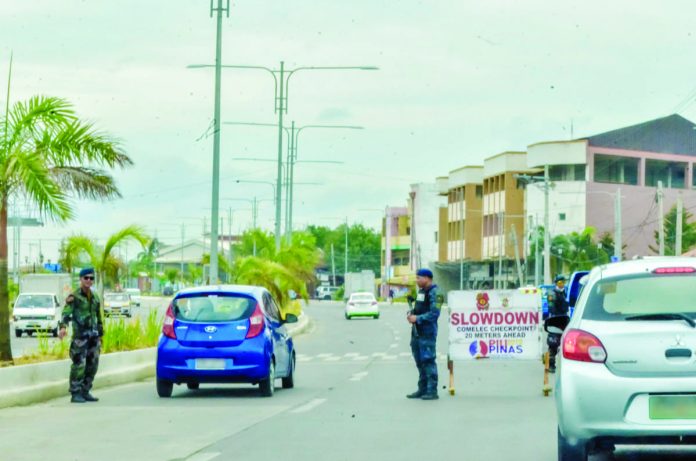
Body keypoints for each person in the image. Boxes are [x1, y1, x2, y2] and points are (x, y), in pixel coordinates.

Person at [58, 268, 104, 403]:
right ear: (81, 279)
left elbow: (98, 317)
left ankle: (85, 390)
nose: (89, 280)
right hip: (80, 339)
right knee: (79, 365)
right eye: (86, 278)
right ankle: (75, 392)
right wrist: (63, 327)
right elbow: (66, 313)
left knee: (93, 365)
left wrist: (101, 335)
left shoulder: (95, 296)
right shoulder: (74, 296)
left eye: (91, 278)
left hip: (93, 338)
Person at [406, 268, 443, 400]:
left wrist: (418, 318)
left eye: (419, 278)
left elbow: (435, 313)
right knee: (419, 362)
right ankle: (422, 389)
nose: (417, 280)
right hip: (417, 333)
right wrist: (412, 314)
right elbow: (419, 309)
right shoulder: (421, 292)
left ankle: (432, 390)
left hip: (427, 333)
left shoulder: (436, 292)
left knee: (428, 361)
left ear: (427, 278)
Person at [546, 274, 570, 373]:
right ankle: (551, 364)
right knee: (553, 343)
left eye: (563, 283)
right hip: (555, 319)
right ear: (556, 283)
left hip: (565, 319)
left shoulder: (566, 292)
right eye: (560, 283)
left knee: (567, 342)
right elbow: (551, 307)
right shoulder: (552, 293)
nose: (562, 285)